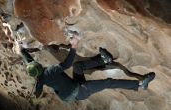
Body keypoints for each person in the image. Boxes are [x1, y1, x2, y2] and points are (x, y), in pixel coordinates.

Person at [16, 34, 155, 102]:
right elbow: (66, 64)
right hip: (80, 92)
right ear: (40, 67)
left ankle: (103, 59)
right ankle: (140, 85)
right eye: (38, 64)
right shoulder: (49, 72)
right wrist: (74, 45)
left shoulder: (39, 78)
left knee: (78, 67)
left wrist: (21, 48)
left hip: (74, 86)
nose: (38, 63)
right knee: (108, 83)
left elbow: (29, 62)